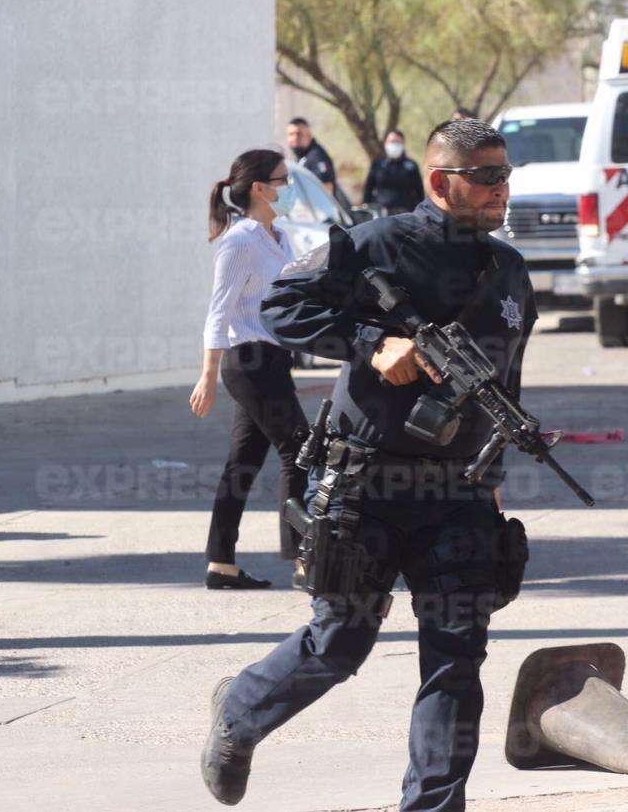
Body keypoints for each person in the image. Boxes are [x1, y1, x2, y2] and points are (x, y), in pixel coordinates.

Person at [201, 119, 537, 810]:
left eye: (507, 174)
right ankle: (240, 710)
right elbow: (281, 306)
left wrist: (495, 481)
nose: (504, 188)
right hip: (368, 482)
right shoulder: (375, 244)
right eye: (490, 177)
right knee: (340, 642)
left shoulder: (507, 270)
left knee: (457, 654)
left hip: (461, 491)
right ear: (443, 183)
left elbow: (508, 382)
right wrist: (368, 341)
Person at [191, 149, 309, 591]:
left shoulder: (278, 237)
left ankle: (221, 563)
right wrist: (208, 375)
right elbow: (218, 312)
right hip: (248, 361)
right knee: (300, 448)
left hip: (274, 359)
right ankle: (303, 558)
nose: (288, 188)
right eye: (283, 180)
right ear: (260, 188)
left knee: (242, 463)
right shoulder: (239, 241)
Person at [362, 129, 426, 215]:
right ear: (385, 143)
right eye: (391, 142)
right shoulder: (378, 164)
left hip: (406, 214)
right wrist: (367, 206)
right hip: (382, 214)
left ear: (403, 144)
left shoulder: (411, 166)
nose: (394, 145)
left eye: (397, 142)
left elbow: (419, 192)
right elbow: (368, 188)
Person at [286, 117, 338, 196]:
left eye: (299, 134)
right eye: (291, 134)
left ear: (309, 135)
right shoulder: (303, 156)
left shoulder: (317, 157)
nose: (295, 138)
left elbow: (327, 188)